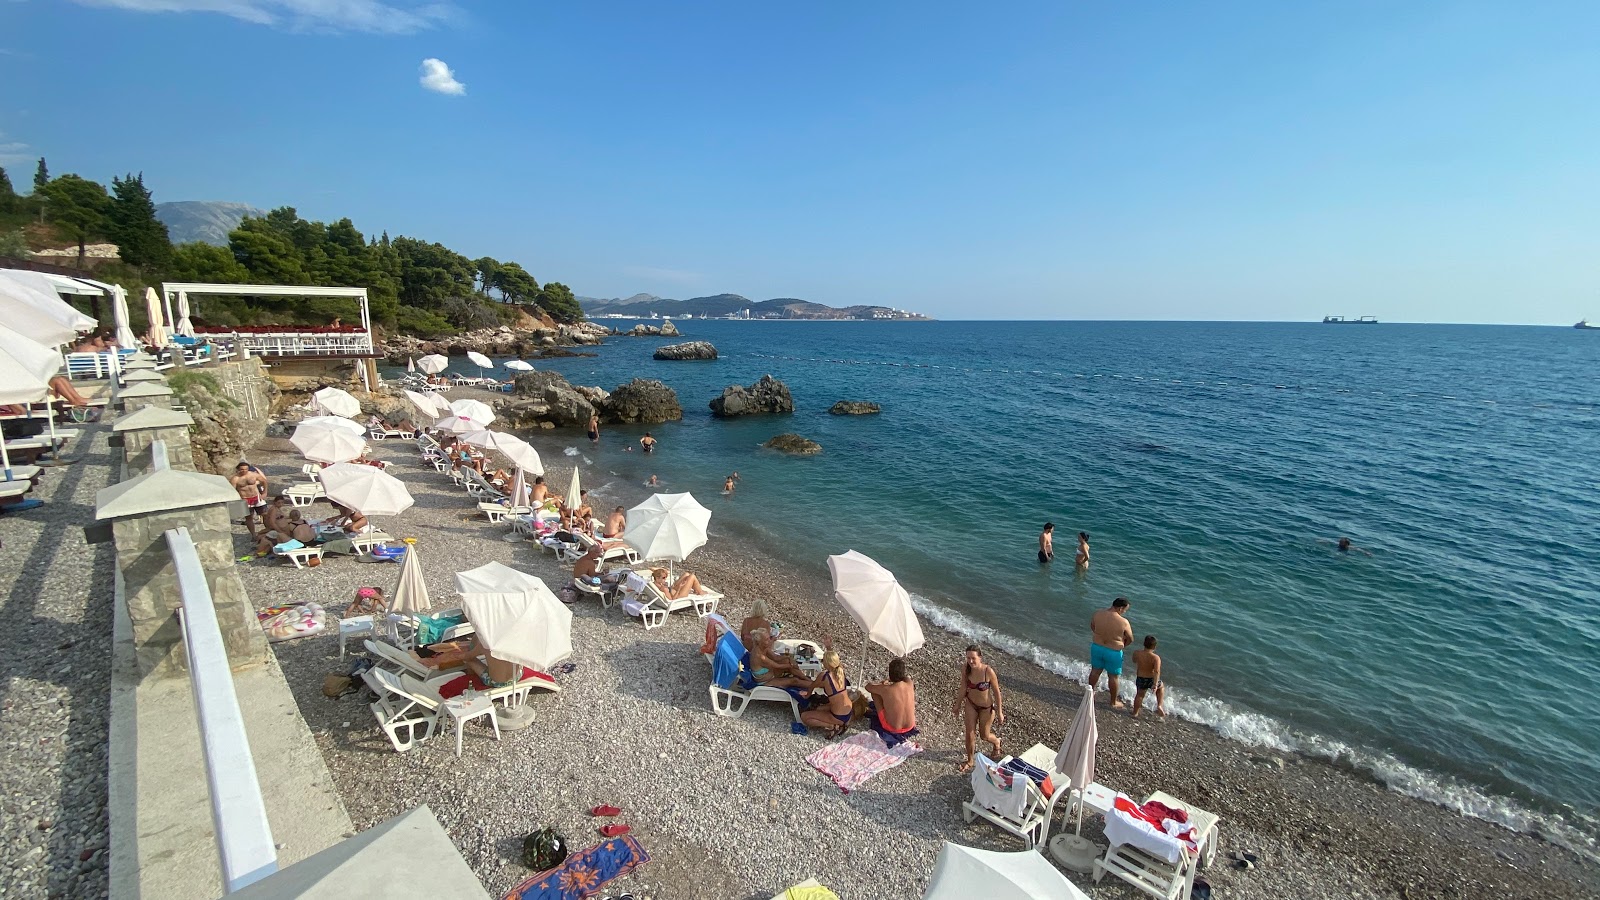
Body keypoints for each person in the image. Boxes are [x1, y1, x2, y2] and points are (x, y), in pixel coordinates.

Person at [954, 645, 1004, 773]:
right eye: (968, 658)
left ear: (980, 658)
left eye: (973, 658)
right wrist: (958, 704)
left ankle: (997, 742)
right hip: (971, 704)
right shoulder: (966, 669)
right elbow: (963, 688)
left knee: (984, 736)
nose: (970, 661)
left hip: (986, 708)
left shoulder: (988, 671)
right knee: (970, 734)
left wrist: (999, 712)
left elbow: (997, 692)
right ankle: (970, 760)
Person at [1087, 597, 1134, 709]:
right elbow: (1130, 638)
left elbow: (1093, 627)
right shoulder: (1123, 622)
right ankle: (1113, 701)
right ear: (1120, 608)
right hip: (1113, 651)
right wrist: (1123, 644)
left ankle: (1089, 694)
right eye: (1125, 610)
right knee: (1113, 677)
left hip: (1097, 647)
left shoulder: (1098, 614)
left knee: (1095, 671)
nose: (1124, 612)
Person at [865, 657, 919, 746]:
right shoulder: (909, 683)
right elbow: (905, 678)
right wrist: (890, 680)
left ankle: (886, 718)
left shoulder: (886, 689)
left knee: (875, 694)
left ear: (890, 674)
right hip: (910, 726)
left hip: (892, 728)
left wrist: (883, 683)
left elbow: (868, 687)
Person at [800, 651, 854, 738]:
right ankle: (843, 723)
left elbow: (812, 685)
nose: (822, 662)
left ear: (826, 663)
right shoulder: (840, 670)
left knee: (804, 717)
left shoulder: (824, 676)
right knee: (818, 709)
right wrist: (828, 647)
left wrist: (807, 695)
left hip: (838, 716)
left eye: (823, 660)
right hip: (848, 711)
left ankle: (833, 726)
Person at [745, 628, 812, 689]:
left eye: (769, 638)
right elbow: (777, 666)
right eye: (766, 640)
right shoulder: (759, 655)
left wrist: (789, 658)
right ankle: (814, 685)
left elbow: (776, 657)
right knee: (794, 680)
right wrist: (792, 665)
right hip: (765, 682)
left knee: (786, 661)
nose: (769, 641)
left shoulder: (763, 647)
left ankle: (806, 678)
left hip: (770, 673)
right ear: (759, 642)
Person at [1130, 635, 1167, 718]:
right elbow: (1157, 671)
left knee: (1139, 695)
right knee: (1161, 687)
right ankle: (1159, 705)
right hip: (1151, 679)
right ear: (1155, 646)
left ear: (1144, 644)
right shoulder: (1155, 658)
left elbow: (1134, 660)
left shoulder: (1137, 653)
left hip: (1141, 678)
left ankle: (1135, 712)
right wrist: (1155, 684)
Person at [230, 462, 269, 537]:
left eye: (246, 469)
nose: (244, 471)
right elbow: (233, 491)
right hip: (245, 499)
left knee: (265, 515)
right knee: (249, 518)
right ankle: (253, 535)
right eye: (242, 469)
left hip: (256, 497)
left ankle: (268, 530)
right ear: (238, 469)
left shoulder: (253, 474)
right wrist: (237, 502)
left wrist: (264, 492)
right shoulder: (235, 479)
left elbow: (264, 481)